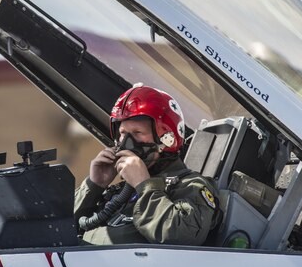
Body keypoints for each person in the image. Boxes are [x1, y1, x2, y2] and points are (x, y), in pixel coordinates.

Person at [74, 83, 219, 245]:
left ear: (167, 138)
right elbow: (57, 228)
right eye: (123, 133)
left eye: (137, 133)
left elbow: (182, 236)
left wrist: (144, 185)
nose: (127, 142)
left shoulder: (190, 186)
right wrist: (94, 185)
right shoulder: (121, 193)